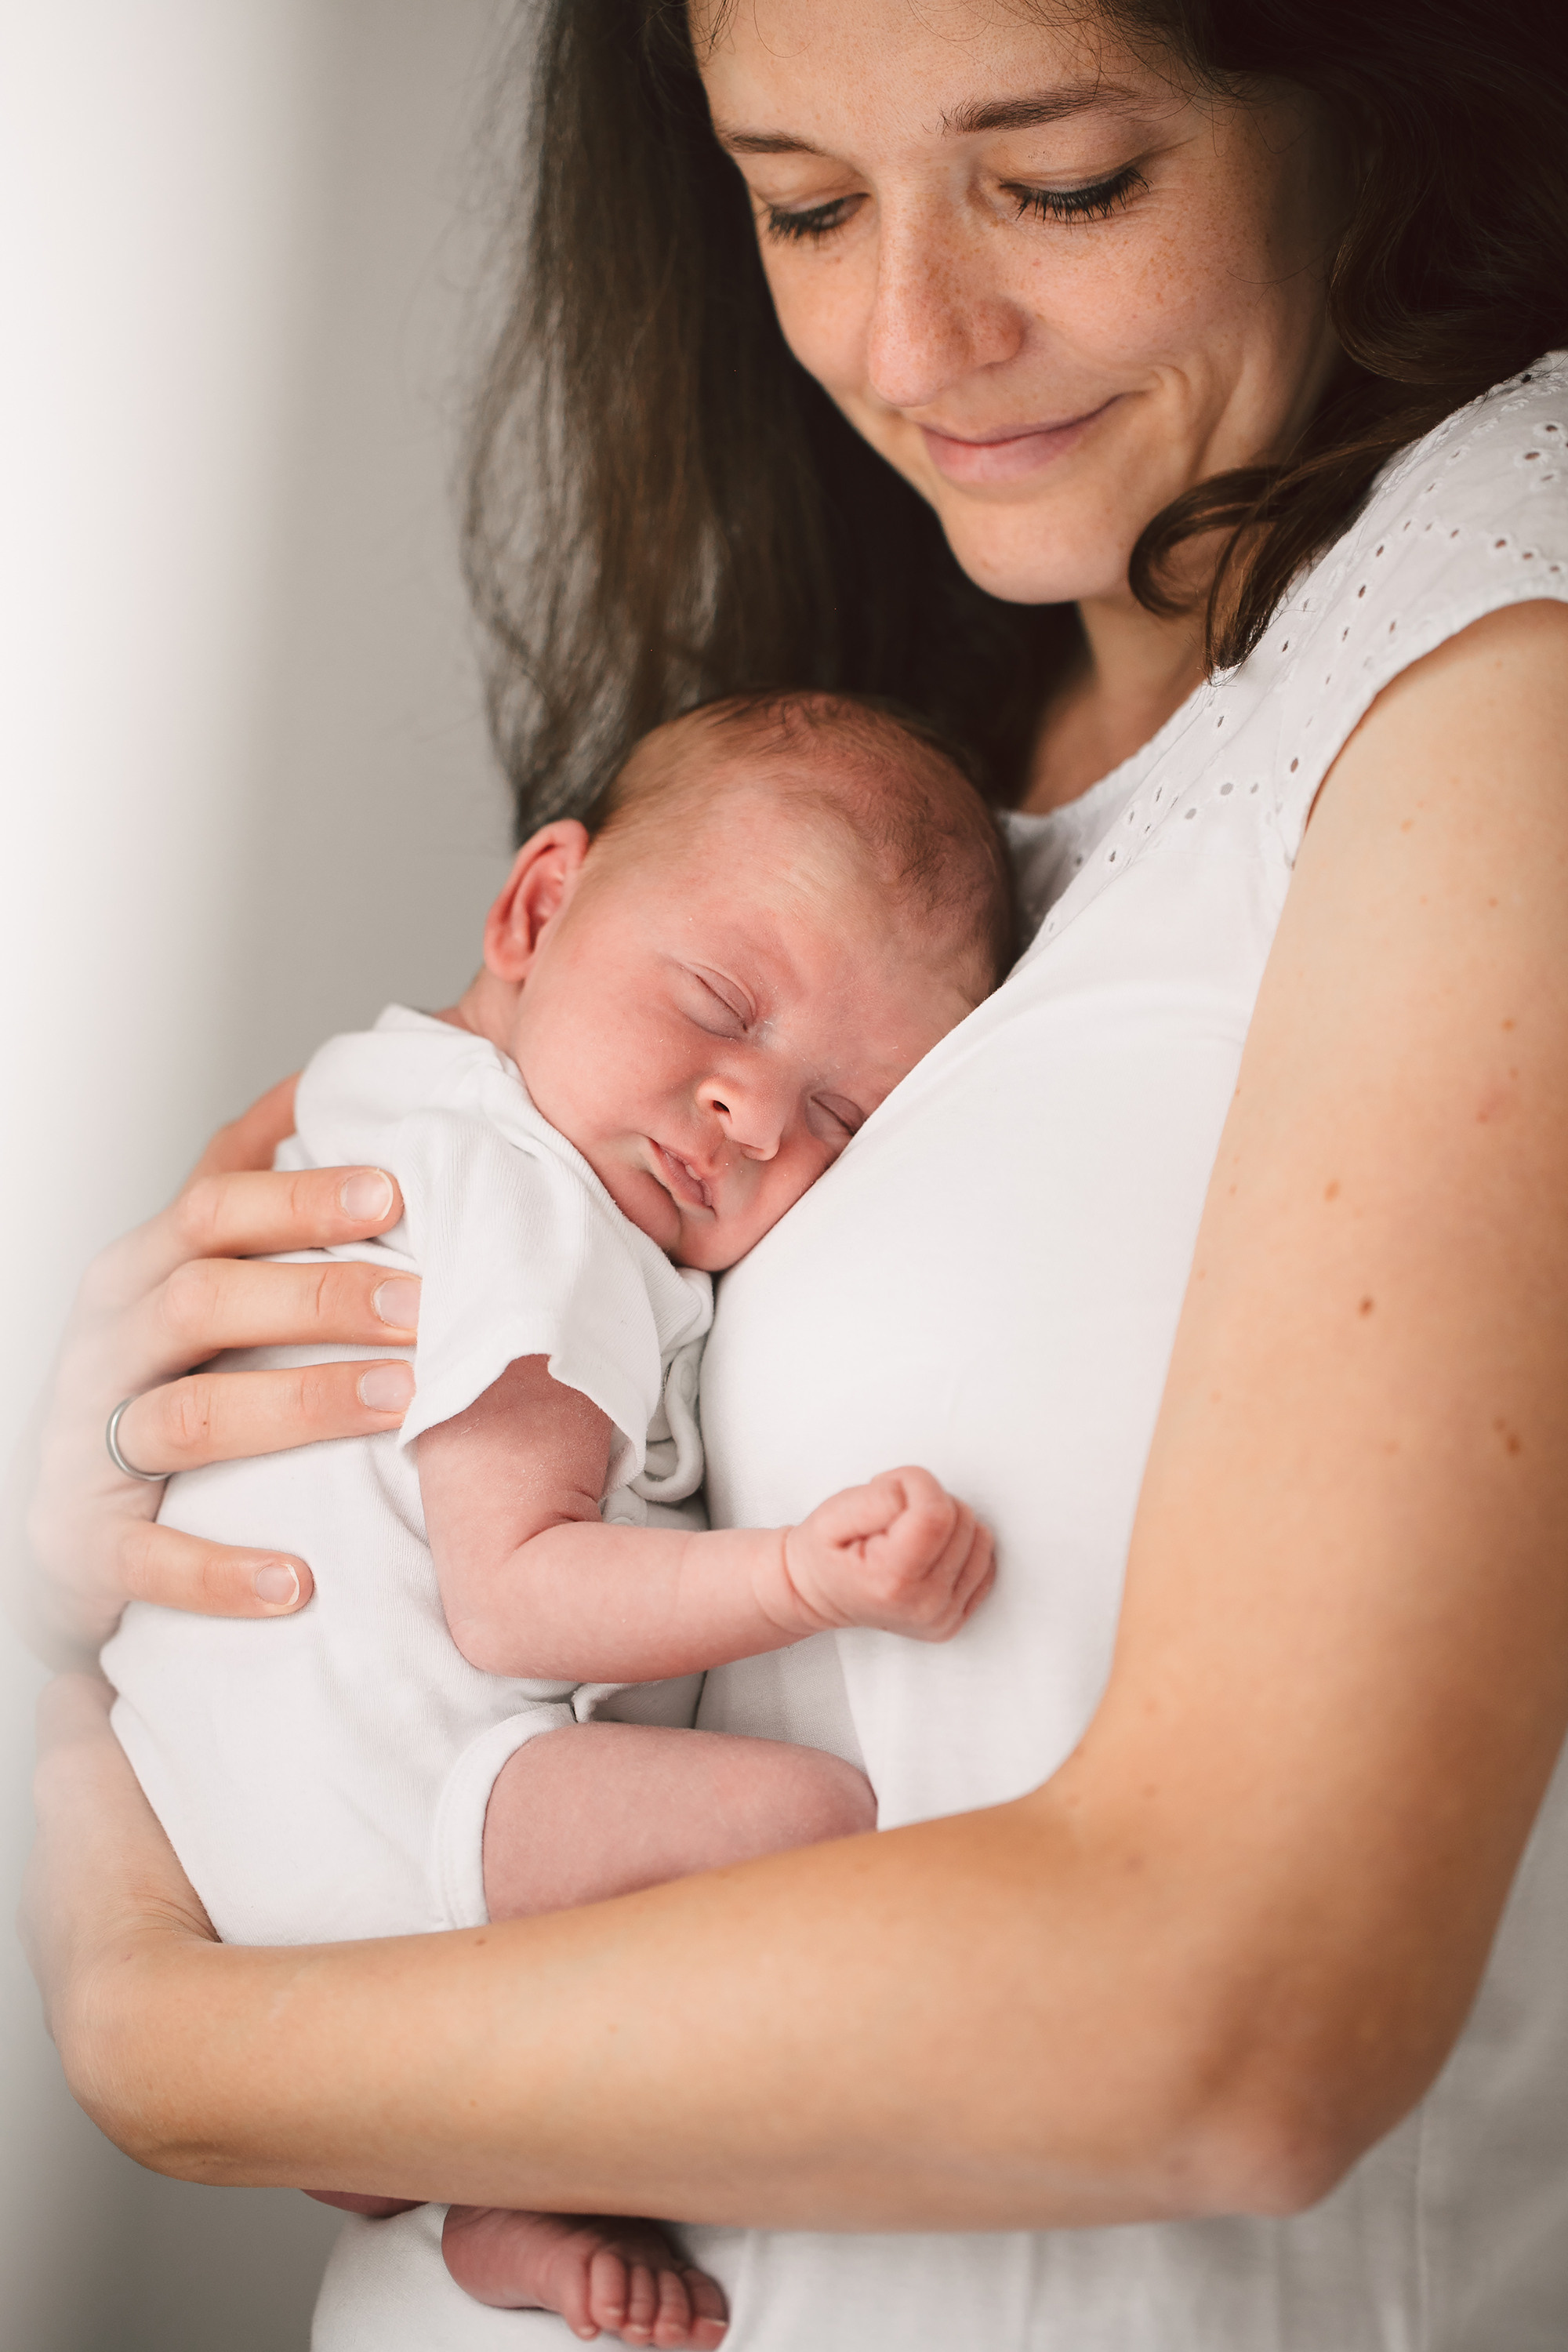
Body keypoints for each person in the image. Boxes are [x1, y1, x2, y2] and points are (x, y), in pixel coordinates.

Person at [16, 2, 1568, 2347]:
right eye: (804, 203)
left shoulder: (1494, 623)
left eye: (1063, 183)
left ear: (1363, 93)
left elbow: (1239, 2022)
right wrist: (112, 1534)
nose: (911, 338)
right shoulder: (895, 739)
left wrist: (165, 2036)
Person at [100, 689, 1004, 2347]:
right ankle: (496, 2150)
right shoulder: (534, 1202)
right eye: (724, 1004)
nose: (752, 1114)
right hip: (391, 1822)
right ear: (535, 908)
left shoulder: (382, 1099)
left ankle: (469, 2185)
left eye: (842, 1118)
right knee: (817, 1824)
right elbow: (514, 1602)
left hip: (202, 1818)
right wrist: (801, 1575)